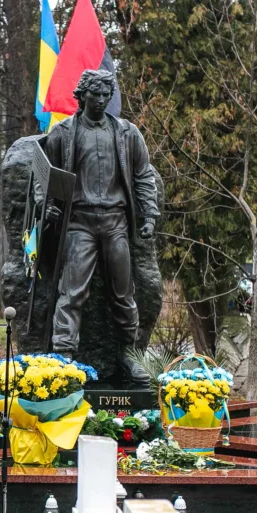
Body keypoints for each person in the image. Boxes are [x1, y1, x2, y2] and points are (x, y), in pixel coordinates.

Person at [41, 68, 159, 386]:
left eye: (107, 94)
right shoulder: (63, 133)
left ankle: (132, 356)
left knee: (124, 293)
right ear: (82, 96)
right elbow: (46, 177)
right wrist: (48, 205)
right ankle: (63, 357)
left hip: (115, 222)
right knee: (72, 292)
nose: (102, 100)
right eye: (96, 94)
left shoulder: (127, 132)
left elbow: (143, 175)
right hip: (78, 223)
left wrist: (149, 216)